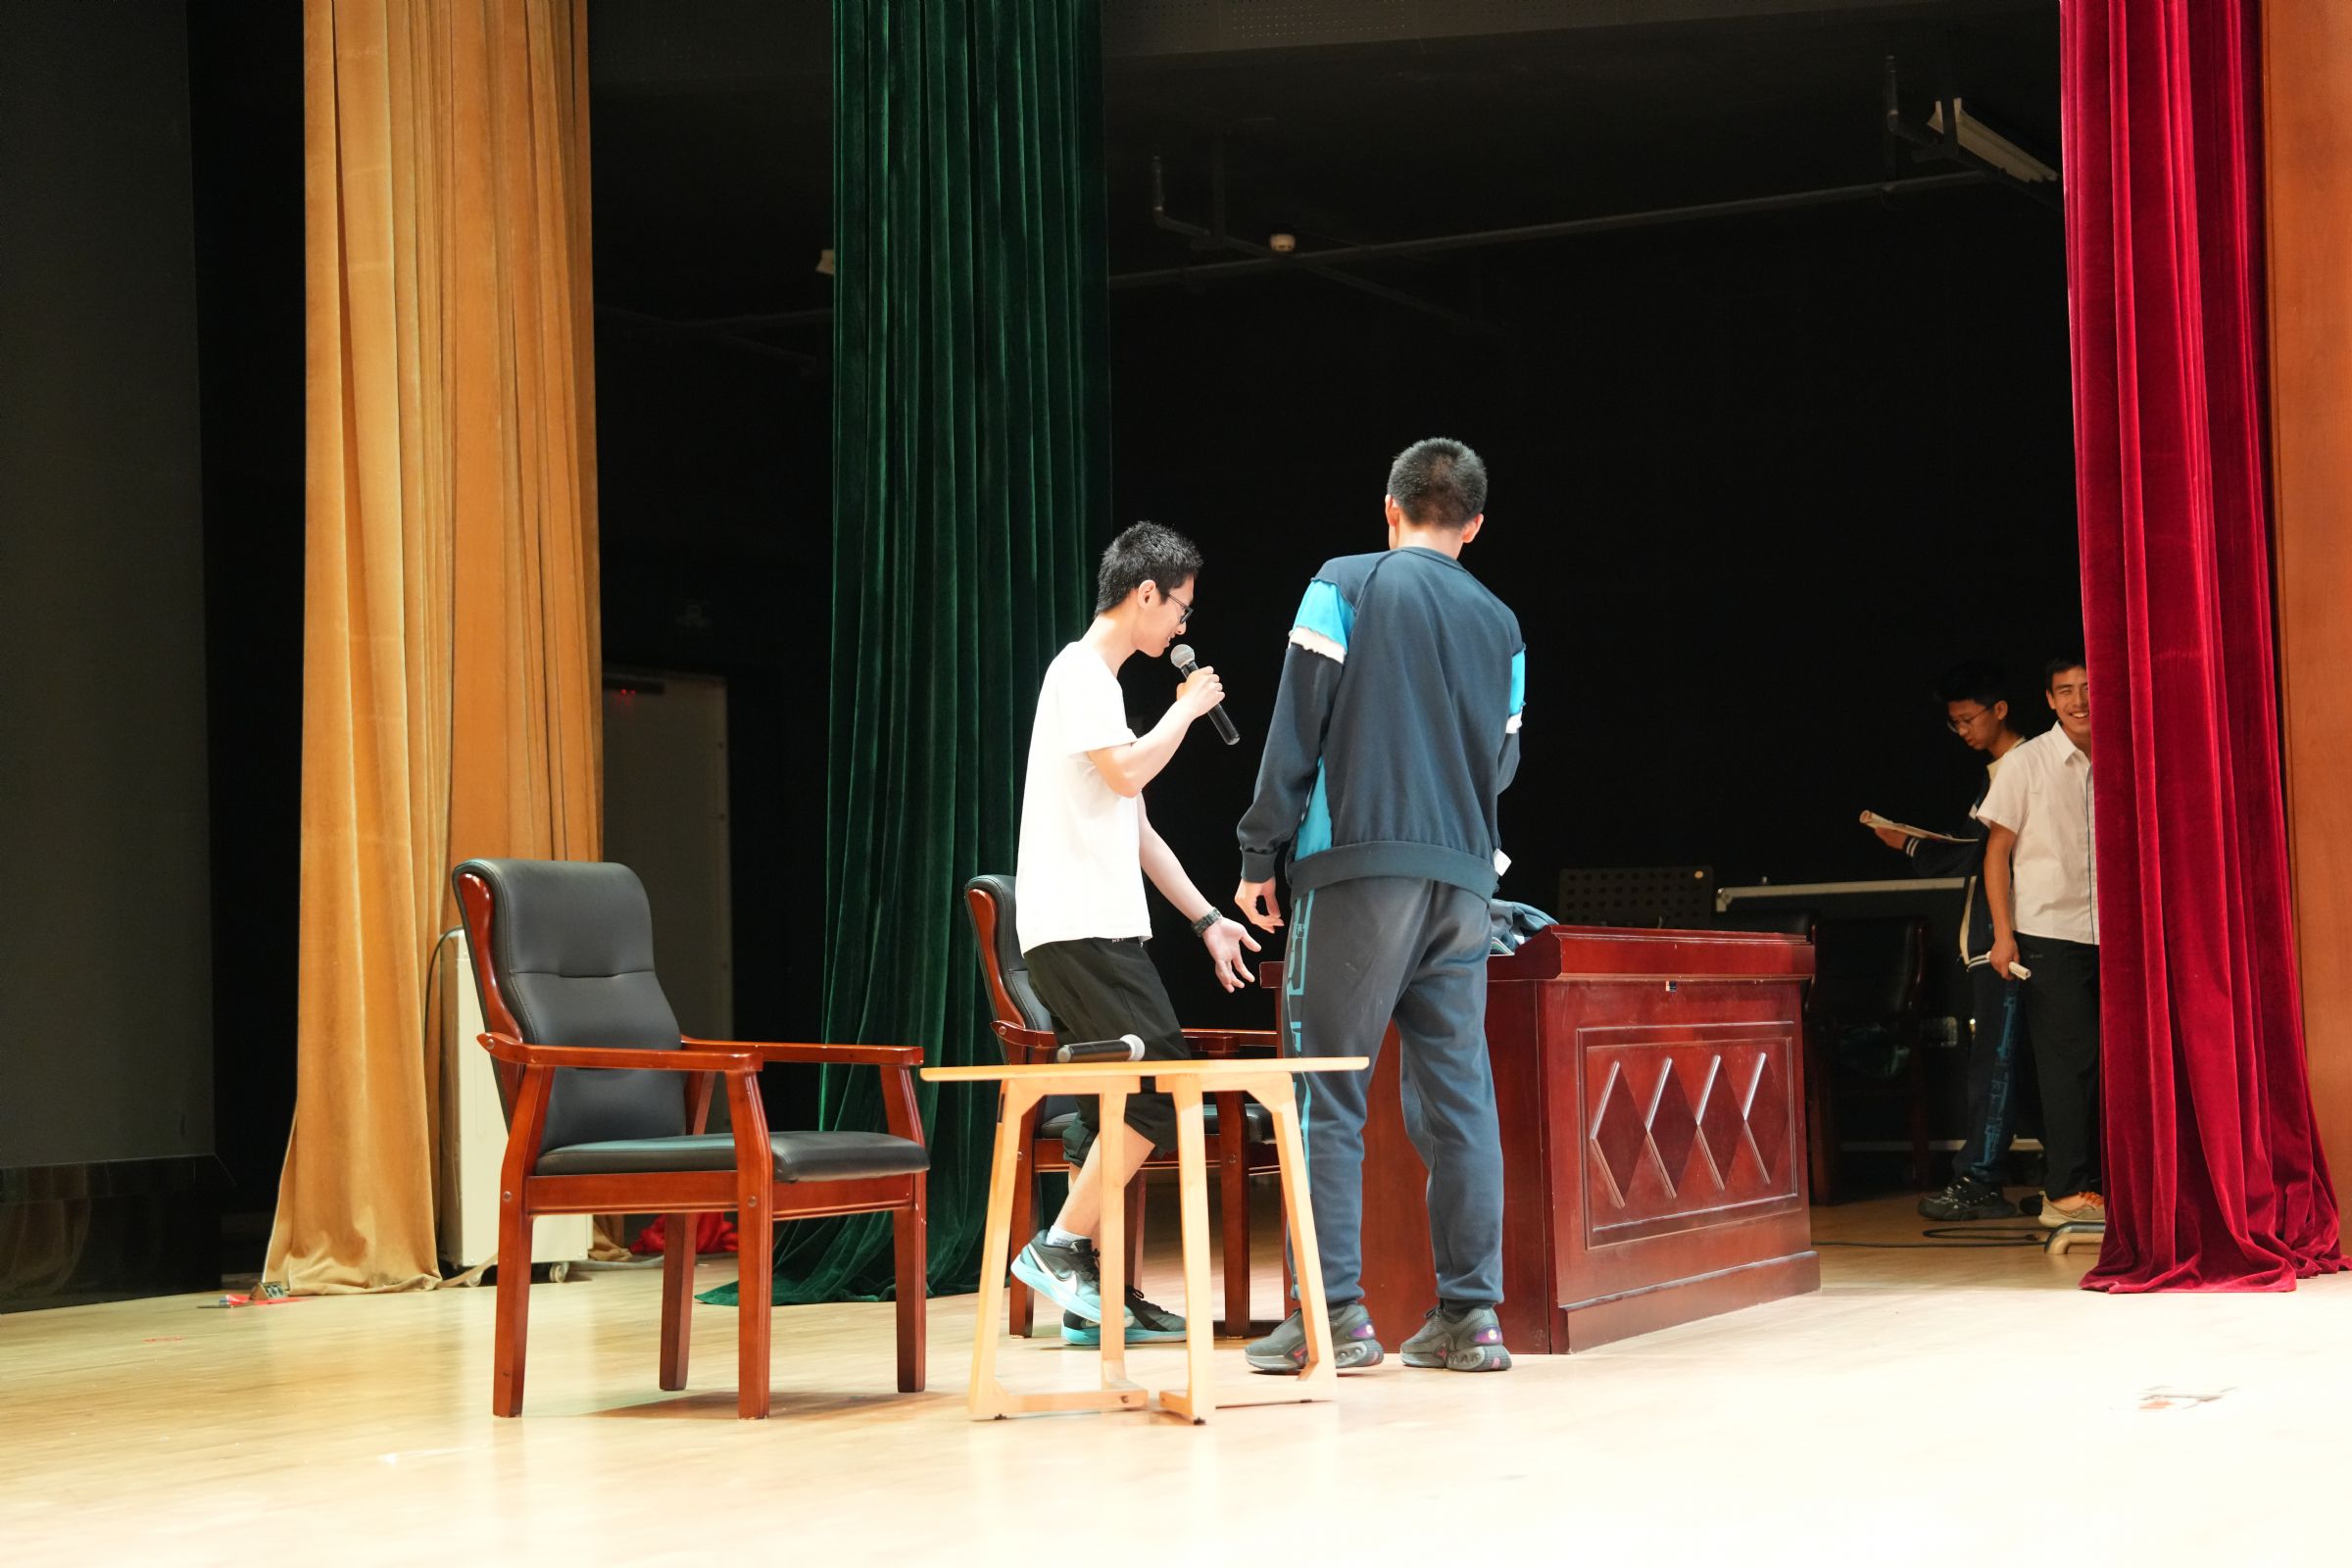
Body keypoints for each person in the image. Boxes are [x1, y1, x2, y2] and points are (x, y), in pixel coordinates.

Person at [1232, 437, 1524, 1374]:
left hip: (1358, 869)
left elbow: (1297, 720)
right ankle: (1472, 1319)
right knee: (1459, 1099)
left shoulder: (1345, 582)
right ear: (1475, 525)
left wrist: (1259, 849)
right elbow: (1503, 762)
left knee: (1323, 1090)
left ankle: (1333, 1317)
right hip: (1465, 883)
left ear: (1390, 508)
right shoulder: (1504, 625)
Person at [1004, 521, 1265, 1347]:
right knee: (1159, 1088)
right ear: (1145, 593)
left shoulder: (1100, 687)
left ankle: (1095, 1296)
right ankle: (1057, 1246)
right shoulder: (1080, 672)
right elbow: (1126, 775)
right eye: (1180, 607)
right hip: (1077, 927)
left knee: (1121, 1104)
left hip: (1097, 927)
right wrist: (1185, 711)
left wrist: (1207, 920)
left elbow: (1139, 826)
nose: (1183, 625)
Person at [1867, 662, 2034, 1221]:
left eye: (1969, 719)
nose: (1963, 731)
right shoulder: (2000, 770)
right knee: (2015, 1063)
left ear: (2000, 710)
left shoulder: (2023, 765)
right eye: (1954, 723)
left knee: (1999, 1062)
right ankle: (2068, 1177)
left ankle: (1982, 1178)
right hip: (1993, 938)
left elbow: (1980, 853)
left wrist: (1910, 846)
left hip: (2008, 939)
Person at [1975, 655, 2103, 1227]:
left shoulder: (2122, 755)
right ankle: (2065, 1191)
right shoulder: (2026, 763)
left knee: (2111, 1064)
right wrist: (2003, 936)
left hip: (2116, 933)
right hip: (2050, 931)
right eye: (2065, 690)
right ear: (2049, 700)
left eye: (2088, 687)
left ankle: (2106, 1185)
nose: (2079, 700)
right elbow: (1996, 853)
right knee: (2068, 1062)